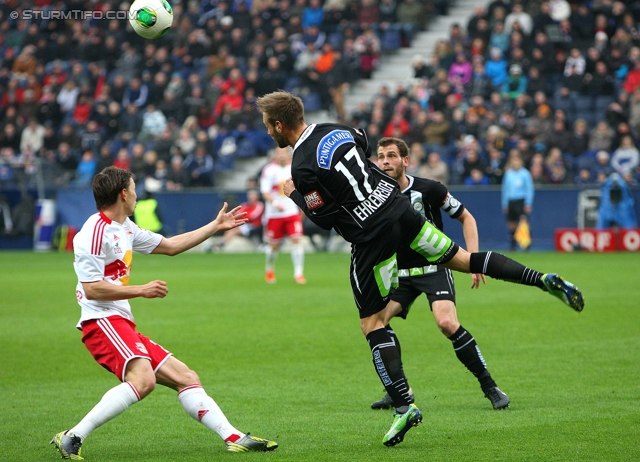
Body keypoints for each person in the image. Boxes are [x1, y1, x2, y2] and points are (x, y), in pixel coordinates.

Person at [256, 90, 584, 447]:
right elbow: (362, 145)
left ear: (278, 124)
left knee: (373, 323)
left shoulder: (301, 166)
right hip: (400, 211)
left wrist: (295, 195)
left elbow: (322, 217)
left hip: (370, 235)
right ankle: (542, 279)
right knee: (463, 259)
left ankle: (404, 405)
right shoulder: (335, 128)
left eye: (266, 125)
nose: (267, 131)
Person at [51, 167, 277, 459]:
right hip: (101, 321)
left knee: (186, 376)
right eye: (133, 188)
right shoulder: (93, 233)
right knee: (144, 381)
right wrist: (141, 289)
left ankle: (233, 437)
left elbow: (170, 246)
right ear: (123, 194)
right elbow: (92, 289)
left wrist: (215, 226)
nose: (136, 194)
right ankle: (72, 437)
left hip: (120, 322)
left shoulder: (126, 227)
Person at [372, 137, 508, 410]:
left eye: (391, 156)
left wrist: (472, 260)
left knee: (446, 323)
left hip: (435, 267)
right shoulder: (376, 195)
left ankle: (490, 387)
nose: (385, 161)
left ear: (405, 161)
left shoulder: (429, 189)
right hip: (401, 273)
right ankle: (399, 390)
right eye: (381, 156)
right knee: (376, 323)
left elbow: (466, 217)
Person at [259, 146, 306, 284]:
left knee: (297, 241)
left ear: (288, 155)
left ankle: (299, 273)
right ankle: (269, 270)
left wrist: (302, 209)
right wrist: (275, 203)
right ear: (275, 155)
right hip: (274, 214)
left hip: (291, 212)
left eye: (283, 153)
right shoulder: (269, 170)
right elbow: (265, 192)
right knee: (273, 246)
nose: (281, 156)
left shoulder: (294, 169)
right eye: (278, 153)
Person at [501, 153, 534, 250]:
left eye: (517, 161)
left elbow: (529, 189)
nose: (516, 163)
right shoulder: (508, 174)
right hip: (511, 201)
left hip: (521, 201)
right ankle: (513, 244)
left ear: (521, 163)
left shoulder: (525, 174)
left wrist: (528, 203)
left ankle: (526, 245)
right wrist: (505, 203)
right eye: (514, 161)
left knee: (524, 222)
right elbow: (505, 189)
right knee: (511, 224)